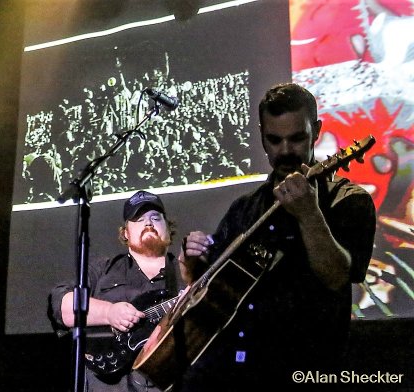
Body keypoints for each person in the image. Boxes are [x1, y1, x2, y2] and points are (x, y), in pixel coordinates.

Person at [175, 83, 376, 390]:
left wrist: (309, 214)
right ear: (262, 137)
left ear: (317, 131)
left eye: (297, 138)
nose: (285, 151)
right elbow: (213, 288)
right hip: (236, 376)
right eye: (274, 139)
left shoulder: (348, 200)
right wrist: (192, 266)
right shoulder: (244, 208)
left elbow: (336, 276)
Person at [47, 190, 185, 392]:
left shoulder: (184, 272)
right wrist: (109, 312)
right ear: (126, 233)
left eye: (156, 217)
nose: (148, 223)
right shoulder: (104, 269)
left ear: (168, 229)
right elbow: (60, 305)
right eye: (139, 219)